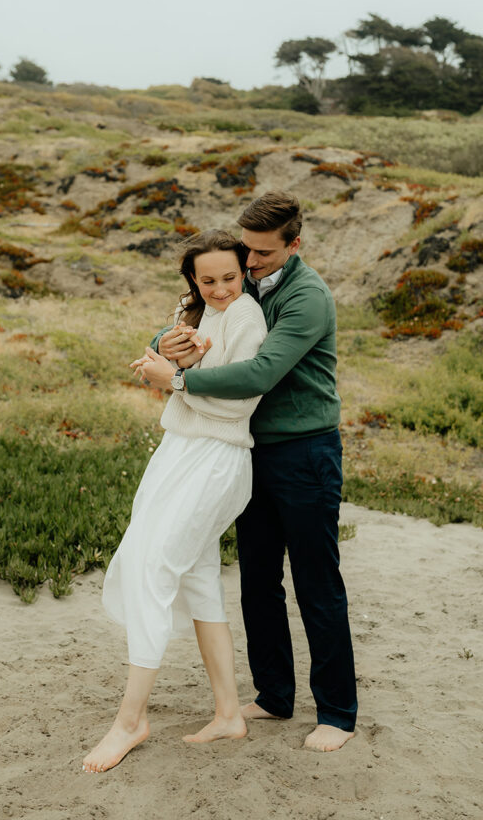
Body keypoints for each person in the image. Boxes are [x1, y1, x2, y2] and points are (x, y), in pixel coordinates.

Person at [139, 191, 358, 753]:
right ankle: (274, 695)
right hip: (251, 450)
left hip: (306, 451)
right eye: (247, 252)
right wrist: (164, 346)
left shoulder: (308, 297)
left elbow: (260, 371)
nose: (251, 262)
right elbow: (194, 318)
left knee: (316, 581)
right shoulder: (243, 282)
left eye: (262, 254)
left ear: (294, 245)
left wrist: (180, 381)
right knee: (258, 580)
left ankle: (336, 712)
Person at [82, 230, 267, 774]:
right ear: (193, 278)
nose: (219, 289)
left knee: (154, 567)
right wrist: (170, 356)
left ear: (243, 271)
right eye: (206, 280)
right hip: (178, 452)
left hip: (216, 459)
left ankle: (130, 721)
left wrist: (178, 380)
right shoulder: (202, 315)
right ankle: (229, 712)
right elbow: (192, 375)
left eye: (229, 278)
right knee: (194, 576)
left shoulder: (247, 317)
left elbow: (239, 408)